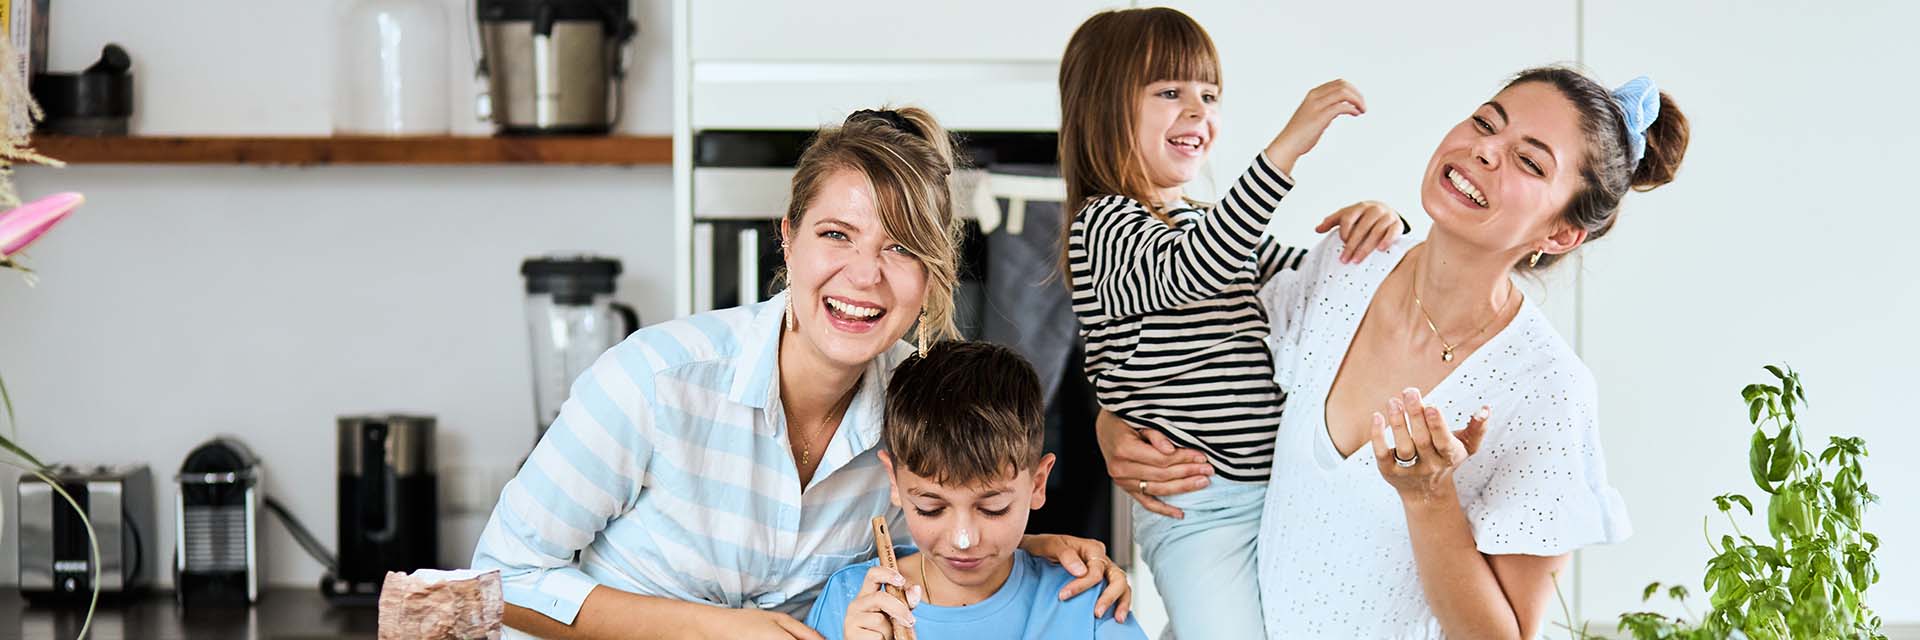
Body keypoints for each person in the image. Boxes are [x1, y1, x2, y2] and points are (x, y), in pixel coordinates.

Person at [472, 107, 1131, 640]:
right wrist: (719, 631)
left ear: (930, 276)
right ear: (788, 240)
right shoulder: (656, 380)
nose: (865, 274)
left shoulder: (912, 412)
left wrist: (1038, 551)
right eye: (836, 235)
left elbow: (940, 531)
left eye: (899, 248)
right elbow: (499, 579)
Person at [1100, 66, 1689, 638]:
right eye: (1486, 123)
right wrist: (1113, 422)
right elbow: (1196, 341)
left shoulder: (1547, 390)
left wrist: (1430, 498)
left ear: (1559, 234)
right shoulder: (1347, 263)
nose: (1486, 151)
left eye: (1530, 161)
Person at [1056, 7, 1402, 638]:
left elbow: (1315, 283)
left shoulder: (1205, 221)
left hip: (1276, 497)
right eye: (1169, 92)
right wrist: (1287, 148)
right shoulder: (1102, 225)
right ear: (1103, 108)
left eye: (1209, 95)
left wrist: (1378, 228)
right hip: (1199, 510)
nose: (1197, 111)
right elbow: (1198, 267)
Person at [806, 341, 1147, 640]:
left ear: (1038, 484)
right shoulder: (852, 601)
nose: (963, 539)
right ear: (895, 483)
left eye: (993, 508)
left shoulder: (1086, 600)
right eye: (931, 508)